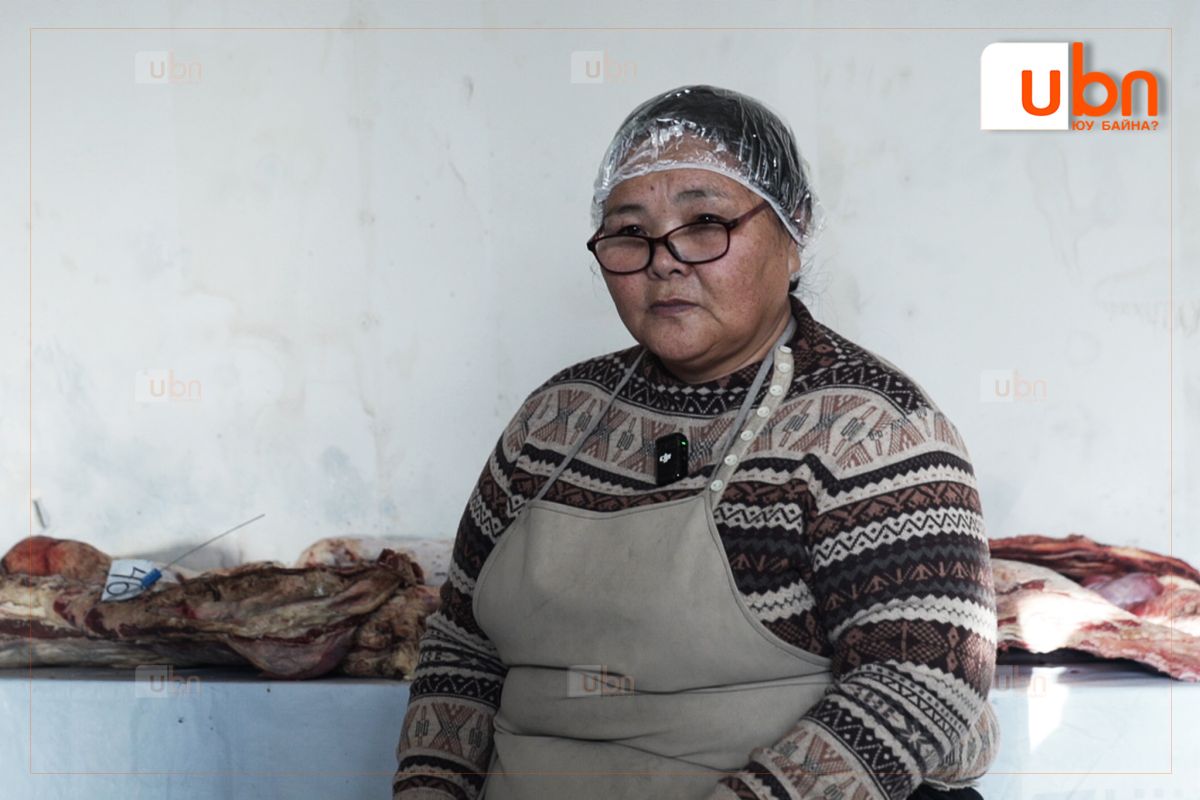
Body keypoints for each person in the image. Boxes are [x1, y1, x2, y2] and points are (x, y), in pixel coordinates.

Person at [393, 84, 1000, 800]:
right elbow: (463, 649)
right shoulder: (554, 420)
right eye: (630, 232)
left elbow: (924, 679)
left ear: (792, 235)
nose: (665, 261)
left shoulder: (870, 427)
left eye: (705, 222)